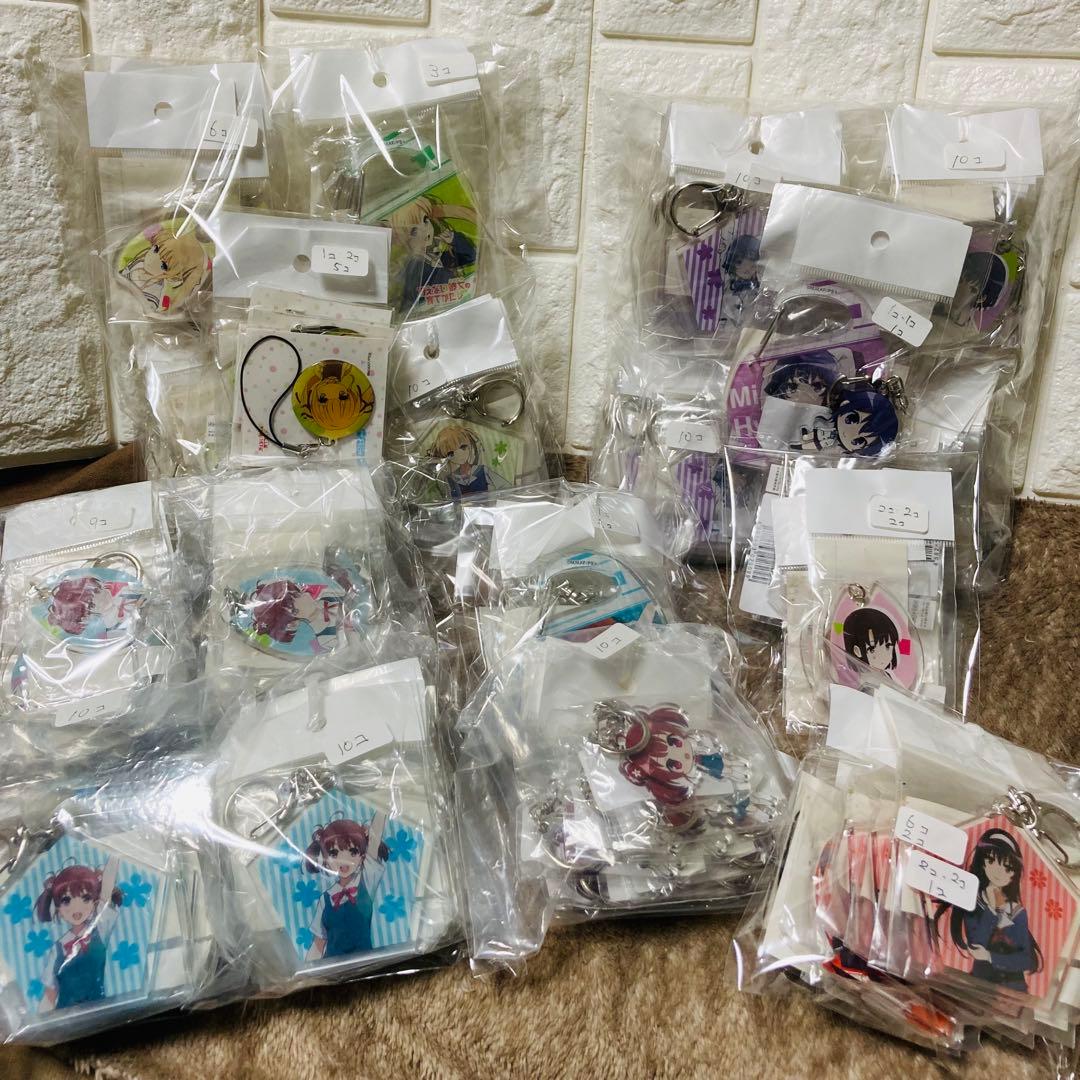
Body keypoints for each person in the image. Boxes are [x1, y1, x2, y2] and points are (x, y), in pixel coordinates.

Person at [936, 828, 1042, 994]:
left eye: (1007, 867)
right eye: (991, 861)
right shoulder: (974, 902)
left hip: (1012, 991)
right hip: (979, 987)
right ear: (983, 862)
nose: (998, 872)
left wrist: (990, 957)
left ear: (1013, 874)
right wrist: (991, 910)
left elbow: (1026, 960)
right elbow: (976, 944)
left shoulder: (1017, 912)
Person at [34, 858, 123, 1012]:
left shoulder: (100, 929)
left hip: (98, 1011)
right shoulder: (58, 948)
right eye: (66, 900)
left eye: (85, 898)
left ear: (94, 902)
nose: (76, 907)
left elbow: (106, 890)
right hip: (65, 1017)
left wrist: (117, 852)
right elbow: (50, 994)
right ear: (58, 909)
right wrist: (39, 1022)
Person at [303, 815, 389, 960]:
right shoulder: (325, 899)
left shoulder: (366, 881)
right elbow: (318, 943)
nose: (344, 861)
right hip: (332, 967)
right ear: (325, 860)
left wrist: (385, 805)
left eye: (353, 852)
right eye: (334, 854)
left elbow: (374, 840)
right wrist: (308, 970)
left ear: (362, 856)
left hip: (365, 963)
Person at [427, 424, 510, 498]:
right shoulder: (449, 480)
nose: (460, 454)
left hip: (488, 509)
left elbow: (506, 487)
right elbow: (448, 502)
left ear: (469, 446)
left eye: (463, 447)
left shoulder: (482, 471)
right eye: (451, 454)